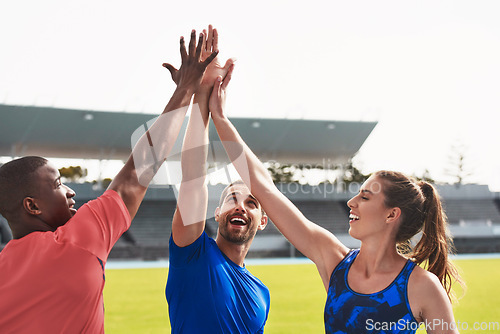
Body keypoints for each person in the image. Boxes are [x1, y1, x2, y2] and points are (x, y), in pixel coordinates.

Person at [208, 68, 465, 333]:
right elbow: (265, 189)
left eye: (365, 196)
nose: (351, 202)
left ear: (391, 214)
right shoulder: (334, 260)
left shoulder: (422, 286)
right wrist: (219, 118)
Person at [0, 29, 217, 333]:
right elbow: (140, 168)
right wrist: (186, 88)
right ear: (32, 206)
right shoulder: (78, 240)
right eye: (58, 183)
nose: (70, 190)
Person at [164, 25, 271, 334]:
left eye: (251, 203)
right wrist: (202, 98)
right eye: (231, 199)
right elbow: (193, 178)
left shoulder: (261, 293)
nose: (240, 206)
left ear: (262, 220)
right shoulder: (192, 254)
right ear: (217, 213)